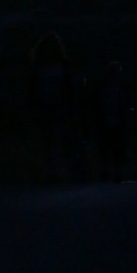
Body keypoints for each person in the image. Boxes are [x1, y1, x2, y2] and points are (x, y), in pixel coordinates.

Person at [29, 33, 84, 180]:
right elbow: (32, 87)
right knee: (47, 139)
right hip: (44, 105)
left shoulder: (63, 65)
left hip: (60, 105)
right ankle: (51, 170)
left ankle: (59, 170)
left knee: (60, 138)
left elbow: (70, 86)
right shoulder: (37, 66)